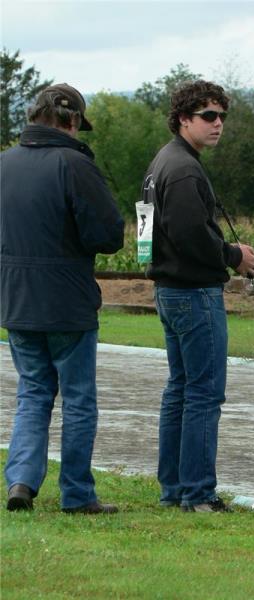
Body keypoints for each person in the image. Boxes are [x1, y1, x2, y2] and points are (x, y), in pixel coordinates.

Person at [1, 83, 125, 514]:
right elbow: (107, 236)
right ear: (71, 120)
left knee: (33, 393)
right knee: (78, 400)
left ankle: (21, 480)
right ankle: (77, 493)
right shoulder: (75, 165)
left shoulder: (4, 164)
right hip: (68, 302)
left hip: (16, 300)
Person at [142, 80, 254, 512]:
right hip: (192, 293)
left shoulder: (161, 162)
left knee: (180, 390)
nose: (218, 124)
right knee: (204, 393)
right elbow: (190, 235)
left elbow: (145, 236)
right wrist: (234, 256)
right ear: (182, 119)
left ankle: (175, 490)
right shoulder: (184, 169)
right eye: (208, 116)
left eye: (222, 116)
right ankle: (198, 494)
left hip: (169, 290)